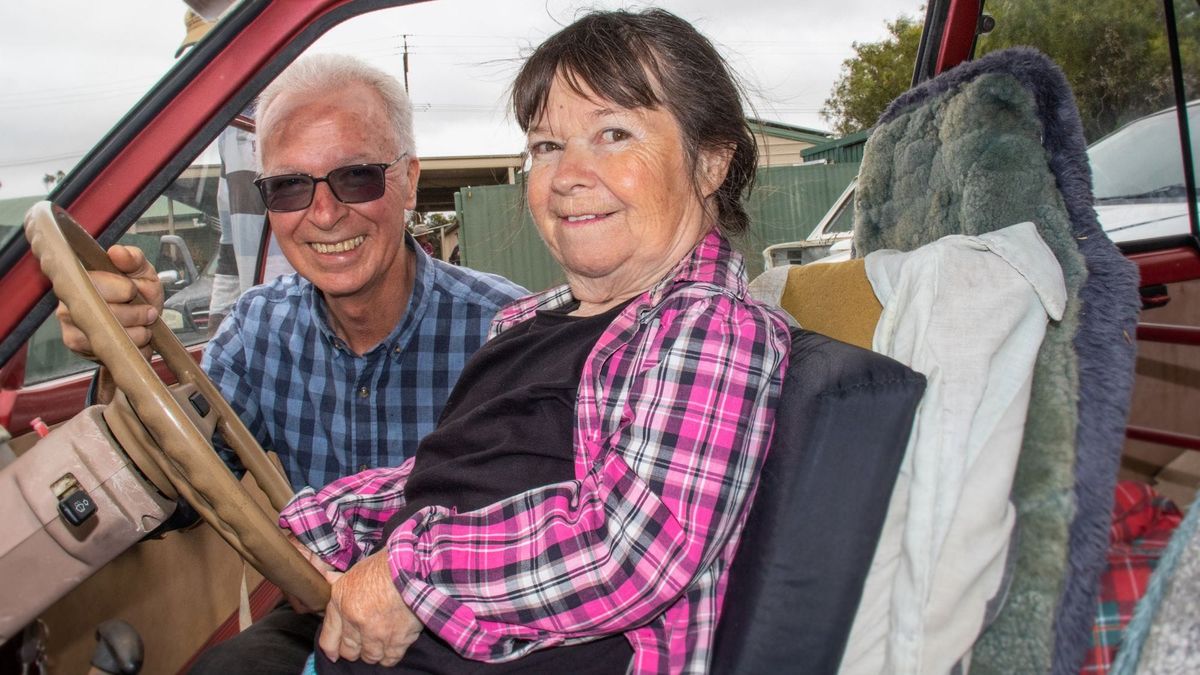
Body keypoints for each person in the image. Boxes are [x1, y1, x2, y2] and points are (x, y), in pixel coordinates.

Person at [280, 9, 792, 673]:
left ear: (712, 160)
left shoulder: (709, 328)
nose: (568, 173)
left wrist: (407, 573)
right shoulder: (530, 322)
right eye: (547, 146)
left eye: (613, 134)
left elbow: (630, 550)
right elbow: (457, 479)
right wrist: (331, 517)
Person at [56, 53, 526, 674]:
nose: (324, 215)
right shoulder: (258, 328)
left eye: (356, 177)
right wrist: (121, 356)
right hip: (321, 611)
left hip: (470, 614)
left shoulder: (507, 331)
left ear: (409, 181)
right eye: (289, 187)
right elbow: (177, 488)